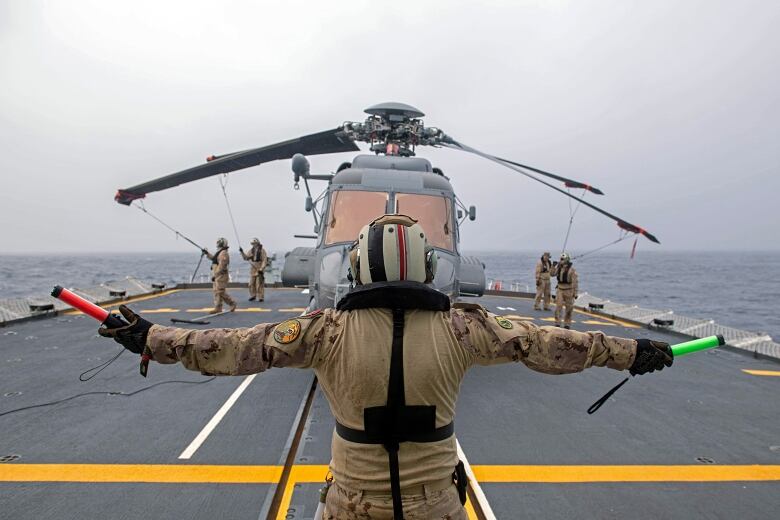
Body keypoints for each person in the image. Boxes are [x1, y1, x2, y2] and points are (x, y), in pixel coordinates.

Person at [98, 214, 673, 520]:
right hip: (437, 507)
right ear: (425, 266)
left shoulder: (323, 332)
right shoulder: (465, 327)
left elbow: (233, 347)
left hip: (352, 505)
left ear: (357, 268)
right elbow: (547, 343)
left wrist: (153, 338)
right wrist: (631, 351)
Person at [202, 237, 236, 313]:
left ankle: (232, 303)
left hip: (221, 276)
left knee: (220, 291)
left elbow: (222, 266)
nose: (218, 244)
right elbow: (214, 259)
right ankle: (218, 307)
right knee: (216, 292)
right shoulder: (220, 252)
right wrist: (207, 253)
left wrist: (215, 275)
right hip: (217, 275)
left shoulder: (223, 253)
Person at [553, 252, 578, 329]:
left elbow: (575, 282)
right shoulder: (559, 268)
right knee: (558, 307)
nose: (561, 260)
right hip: (560, 289)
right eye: (560, 259)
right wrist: (553, 266)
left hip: (569, 290)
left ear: (566, 260)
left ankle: (567, 324)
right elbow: (552, 274)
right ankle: (557, 322)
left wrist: (575, 293)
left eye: (562, 259)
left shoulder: (572, 270)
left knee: (569, 308)